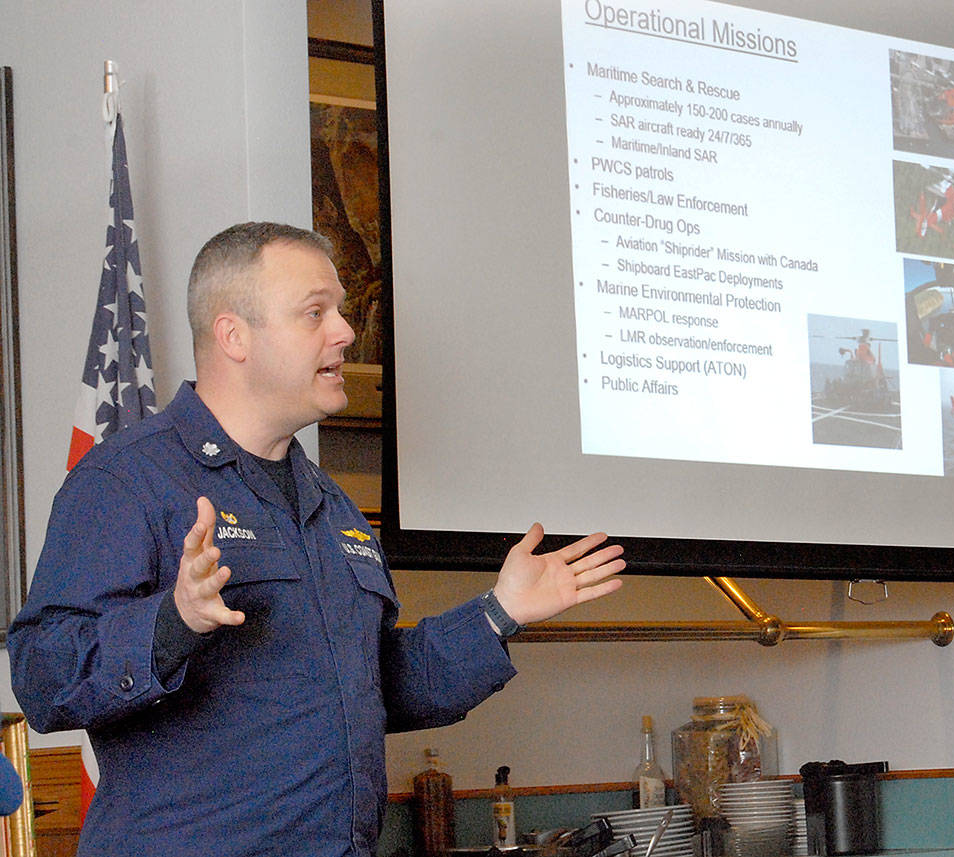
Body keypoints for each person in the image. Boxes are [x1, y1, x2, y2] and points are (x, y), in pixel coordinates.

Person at [7, 222, 625, 857]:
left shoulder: (332, 506)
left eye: (341, 310)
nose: (346, 332)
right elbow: (42, 677)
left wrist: (500, 614)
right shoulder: (127, 481)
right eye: (314, 313)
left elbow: (374, 684)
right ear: (233, 335)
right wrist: (172, 622)